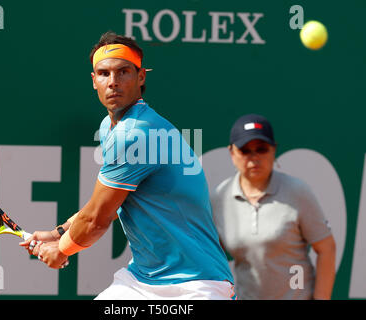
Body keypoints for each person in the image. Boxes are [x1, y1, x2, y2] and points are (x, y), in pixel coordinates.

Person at [19, 31, 235, 300]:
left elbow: (98, 219)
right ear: (94, 80)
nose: (113, 82)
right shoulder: (111, 128)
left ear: (141, 76)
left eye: (123, 72)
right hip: (140, 281)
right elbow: (101, 204)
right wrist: (57, 233)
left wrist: (61, 250)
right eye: (104, 73)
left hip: (196, 285)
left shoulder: (136, 133)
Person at [210, 114, 336, 300]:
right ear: (231, 153)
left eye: (261, 149)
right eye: (245, 150)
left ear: (273, 150)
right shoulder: (219, 197)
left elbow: (326, 248)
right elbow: (211, 258)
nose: (254, 158)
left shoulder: (297, 192)